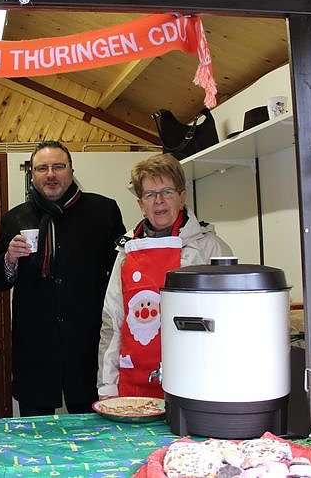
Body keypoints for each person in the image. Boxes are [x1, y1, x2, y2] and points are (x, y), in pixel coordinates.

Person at [0, 140, 125, 416]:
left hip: (88, 344)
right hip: (35, 348)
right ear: (32, 174)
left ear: (71, 171)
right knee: (34, 438)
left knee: (92, 435)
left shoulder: (103, 211)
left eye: (58, 167)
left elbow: (121, 273)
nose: (50, 174)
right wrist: (9, 259)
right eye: (42, 168)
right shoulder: (15, 218)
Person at [97, 153, 233, 399]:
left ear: (182, 197)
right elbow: (113, 322)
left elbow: (229, 322)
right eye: (150, 195)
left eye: (167, 192)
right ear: (141, 203)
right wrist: (107, 386)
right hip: (133, 385)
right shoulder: (126, 251)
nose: (159, 201)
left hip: (195, 383)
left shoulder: (210, 248)